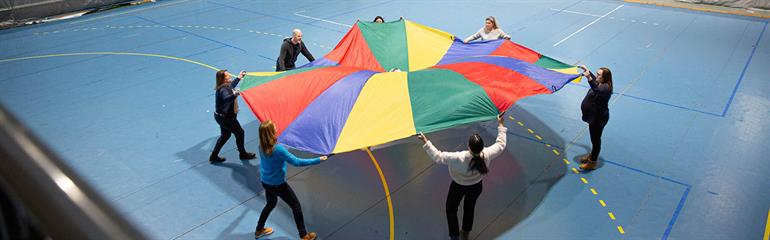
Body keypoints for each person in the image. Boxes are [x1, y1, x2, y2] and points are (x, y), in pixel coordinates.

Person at [416, 113, 507, 240]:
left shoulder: (458, 158)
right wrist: (501, 125)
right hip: (476, 187)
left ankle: (454, 236)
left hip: (458, 186)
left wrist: (426, 141)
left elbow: (438, 156)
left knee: (451, 209)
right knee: (469, 208)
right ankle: (465, 232)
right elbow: (501, 144)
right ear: (482, 147)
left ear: (469, 147)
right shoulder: (486, 154)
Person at [254, 120, 328, 240]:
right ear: (271, 132)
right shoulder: (278, 149)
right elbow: (297, 162)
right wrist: (318, 159)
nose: (276, 128)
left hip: (266, 182)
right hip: (278, 184)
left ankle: (259, 229)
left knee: (270, 204)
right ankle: (304, 235)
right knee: (295, 206)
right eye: (274, 127)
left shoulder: (261, 146)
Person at [210, 70, 256, 163]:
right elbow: (226, 98)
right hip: (226, 118)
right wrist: (235, 94)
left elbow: (232, 86)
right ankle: (242, 154)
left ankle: (214, 156)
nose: (229, 75)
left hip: (220, 116)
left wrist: (239, 77)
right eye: (227, 75)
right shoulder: (223, 89)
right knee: (240, 133)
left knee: (225, 135)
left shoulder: (225, 86)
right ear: (223, 79)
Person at [577, 65, 612, 171]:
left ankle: (592, 162)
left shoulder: (605, 88)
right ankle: (592, 155)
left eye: (599, 75)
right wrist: (587, 70)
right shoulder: (600, 82)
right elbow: (595, 81)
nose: (596, 76)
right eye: (596, 73)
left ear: (605, 77)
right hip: (593, 117)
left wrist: (588, 78)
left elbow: (596, 89)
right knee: (594, 138)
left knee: (595, 140)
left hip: (598, 119)